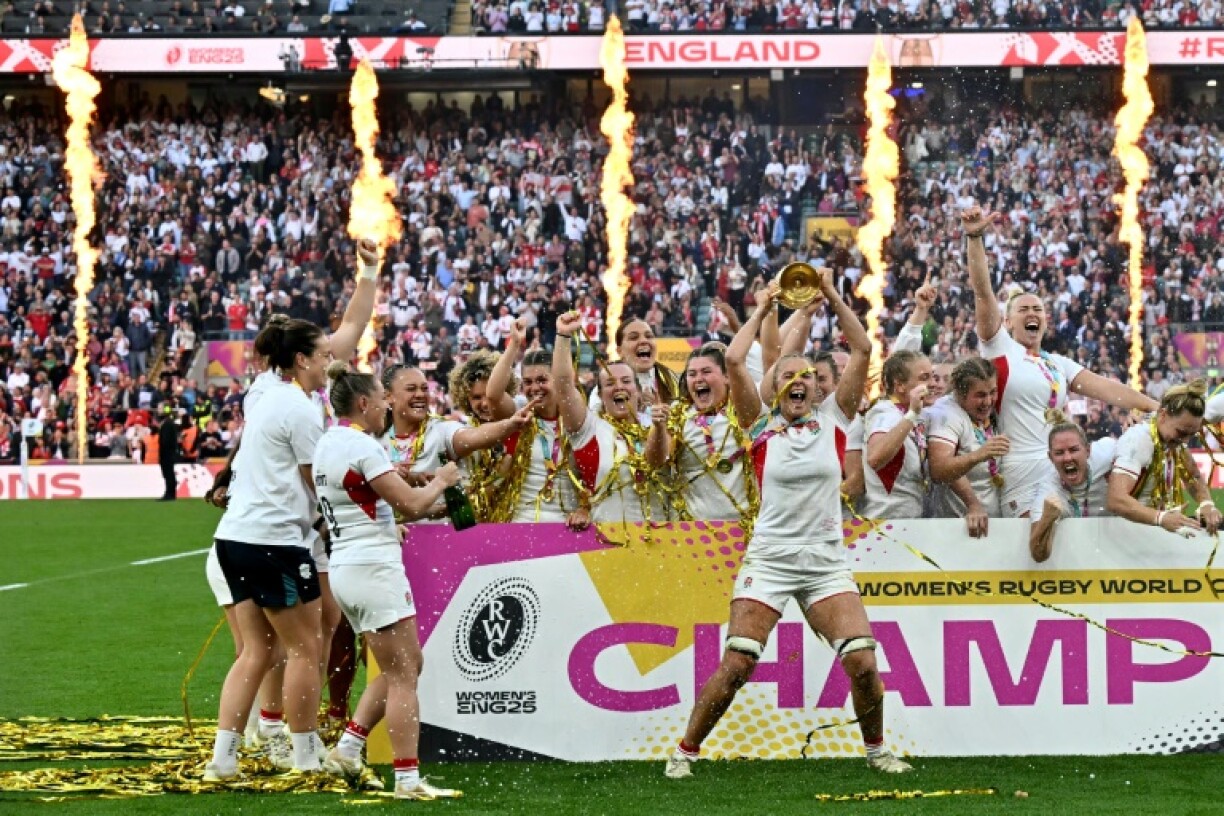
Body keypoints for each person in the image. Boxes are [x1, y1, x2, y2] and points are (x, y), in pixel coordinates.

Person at [666, 271, 912, 778]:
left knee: (864, 663)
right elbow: (734, 359)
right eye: (786, 376)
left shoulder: (836, 418)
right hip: (771, 559)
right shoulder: (759, 425)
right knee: (737, 666)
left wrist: (832, 297)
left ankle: (877, 750)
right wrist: (764, 307)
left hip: (825, 562)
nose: (798, 382)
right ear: (773, 388)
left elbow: (863, 347)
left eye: (807, 377)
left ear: (818, 387)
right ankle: (685, 752)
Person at [312, 362, 462, 800]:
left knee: (406, 664)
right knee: (403, 676)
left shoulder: (328, 443)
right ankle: (408, 780)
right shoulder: (365, 445)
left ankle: (348, 746)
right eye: (381, 400)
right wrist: (442, 480)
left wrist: (422, 493)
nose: (385, 408)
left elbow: (369, 499)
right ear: (364, 403)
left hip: (346, 567)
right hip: (374, 567)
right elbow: (412, 505)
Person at [962, 206, 1157, 517]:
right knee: (1035, 546)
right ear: (1008, 322)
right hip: (1020, 468)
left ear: (1046, 320)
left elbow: (1107, 389)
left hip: (1059, 463)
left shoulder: (1058, 364)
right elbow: (983, 294)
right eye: (1023, 309)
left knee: (1124, 450)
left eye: (1038, 310)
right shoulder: (999, 349)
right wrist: (974, 237)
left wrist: (1155, 408)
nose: (1032, 314)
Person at [205, 315, 332, 781]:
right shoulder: (300, 408)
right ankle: (303, 755)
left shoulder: (264, 395)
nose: (328, 363)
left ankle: (223, 758)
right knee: (305, 647)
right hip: (274, 540)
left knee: (256, 651)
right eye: (322, 355)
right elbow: (315, 479)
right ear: (300, 359)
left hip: (233, 538)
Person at [553, 310, 670, 528]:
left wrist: (660, 427)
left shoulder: (657, 424)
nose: (619, 387)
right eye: (610, 384)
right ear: (600, 394)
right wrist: (563, 336)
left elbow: (658, 462)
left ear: (637, 389)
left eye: (626, 381)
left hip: (661, 542)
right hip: (607, 543)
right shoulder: (589, 428)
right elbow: (563, 387)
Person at [381, 363, 538, 522]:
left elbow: (474, 436)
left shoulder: (441, 430)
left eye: (424, 388)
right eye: (411, 389)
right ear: (388, 396)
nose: (420, 394)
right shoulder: (373, 440)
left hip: (437, 538)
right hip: (386, 540)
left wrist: (510, 424)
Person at [484, 318, 586, 522]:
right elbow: (493, 395)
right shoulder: (520, 416)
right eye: (528, 382)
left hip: (569, 525)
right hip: (523, 521)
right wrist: (514, 344)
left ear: (557, 381)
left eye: (542, 380)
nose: (534, 388)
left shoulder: (577, 418)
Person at [644, 340, 754, 523]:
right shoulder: (678, 414)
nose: (698, 379)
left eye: (706, 372)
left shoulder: (743, 412)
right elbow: (656, 461)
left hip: (742, 526)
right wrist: (658, 427)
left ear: (727, 377)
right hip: (692, 529)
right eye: (692, 374)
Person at [1107, 380, 1221, 534]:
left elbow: (1192, 475)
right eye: (1181, 432)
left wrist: (1207, 503)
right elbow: (1116, 500)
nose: (1185, 441)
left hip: (1150, 534)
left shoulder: (1172, 437)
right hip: (1125, 536)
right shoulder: (1139, 440)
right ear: (1163, 415)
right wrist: (1160, 518)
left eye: (1191, 435)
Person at [928, 357, 1009, 532]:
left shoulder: (986, 411)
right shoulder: (946, 413)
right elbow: (938, 469)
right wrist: (978, 455)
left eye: (992, 392)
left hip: (994, 525)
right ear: (960, 393)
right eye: (980, 395)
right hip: (958, 528)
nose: (988, 401)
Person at [1026, 411, 1118, 562]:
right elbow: (1038, 555)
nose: (1067, 458)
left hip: (1117, 547)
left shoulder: (1106, 452)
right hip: (1078, 558)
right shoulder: (1049, 490)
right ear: (1050, 458)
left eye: (1074, 450)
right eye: (1059, 453)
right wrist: (1046, 519)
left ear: (1088, 451)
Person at [858, 351, 936, 520]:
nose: (933, 383)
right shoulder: (884, 412)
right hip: (884, 525)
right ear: (900, 385)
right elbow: (875, 458)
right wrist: (911, 415)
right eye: (924, 378)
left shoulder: (914, 414)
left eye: (933, 376)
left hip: (910, 522)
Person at [446, 349, 519, 520]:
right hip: (475, 534)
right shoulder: (458, 438)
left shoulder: (523, 430)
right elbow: (459, 512)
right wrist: (498, 479)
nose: (485, 403)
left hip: (518, 527)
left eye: (489, 395)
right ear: (465, 399)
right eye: (477, 397)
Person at [587, 318, 679, 413]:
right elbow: (596, 423)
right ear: (620, 351)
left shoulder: (672, 382)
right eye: (634, 337)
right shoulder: (606, 388)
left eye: (649, 336)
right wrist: (633, 408)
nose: (644, 341)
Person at [157, 409, 179, 500]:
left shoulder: (167, 425)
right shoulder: (170, 423)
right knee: (169, 473)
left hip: (167, 453)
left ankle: (169, 493)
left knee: (168, 473)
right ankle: (171, 493)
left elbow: (165, 441)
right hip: (170, 453)